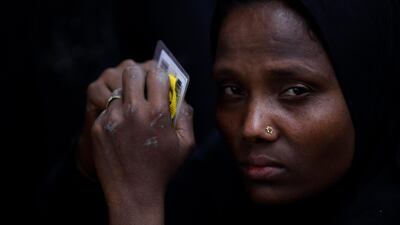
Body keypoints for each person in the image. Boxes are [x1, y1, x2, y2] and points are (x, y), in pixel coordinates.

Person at [39, 0, 400, 224]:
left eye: (295, 91)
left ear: (366, 94)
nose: (251, 127)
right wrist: (90, 166)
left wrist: (137, 205)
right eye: (233, 90)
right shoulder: (213, 182)